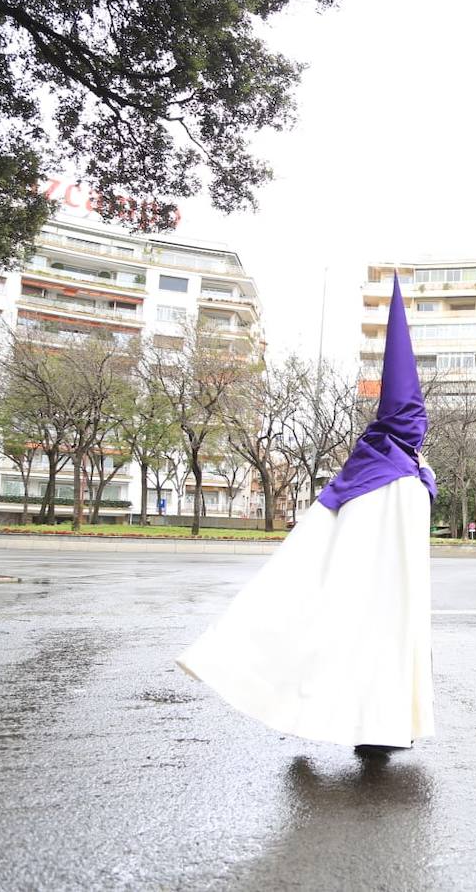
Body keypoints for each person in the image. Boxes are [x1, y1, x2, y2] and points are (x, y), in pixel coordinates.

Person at [178, 273, 436, 755]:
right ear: (408, 428)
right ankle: (377, 729)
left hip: (367, 592)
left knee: (350, 640)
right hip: (382, 595)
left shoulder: (378, 470)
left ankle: (374, 728)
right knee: (375, 643)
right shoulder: (404, 477)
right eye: (418, 425)